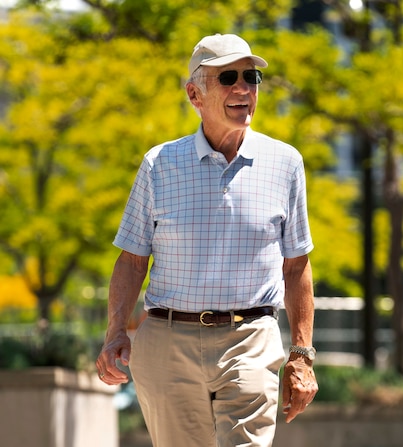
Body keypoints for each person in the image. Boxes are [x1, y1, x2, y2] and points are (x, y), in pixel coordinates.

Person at [96, 33, 318, 447]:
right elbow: (131, 261)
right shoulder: (159, 164)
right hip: (167, 339)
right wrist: (115, 334)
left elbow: (296, 265)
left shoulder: (285, 163)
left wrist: (302, 355)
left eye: (250, 77)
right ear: (194, 94)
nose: (242, 89)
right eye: (228, 77)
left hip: (250, 337)